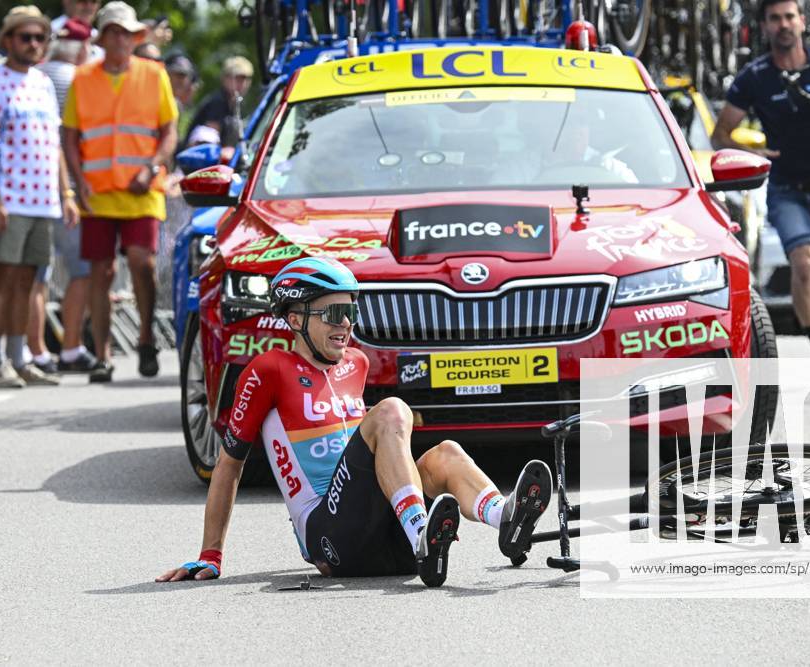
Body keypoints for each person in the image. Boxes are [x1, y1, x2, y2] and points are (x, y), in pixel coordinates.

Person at [156, 258, 553, 587]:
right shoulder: (268, 370)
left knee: (445, 454)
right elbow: (229, 465)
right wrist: (210, 555)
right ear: (295, 319)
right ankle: (421, 535)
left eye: (352, 313)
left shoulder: (356, 364)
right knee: (391, 410)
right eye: (335, 313)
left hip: (386, 542)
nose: (346, 324)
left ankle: (505, 517)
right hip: (331, 537)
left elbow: (370, 465)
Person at [712, 0, 810, 371]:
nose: (784, 24)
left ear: (802, 22)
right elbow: (720, 135)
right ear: (765, 26)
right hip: (786, 187)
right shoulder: (754, 77)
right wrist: (755, 154)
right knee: (802, 265)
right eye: (775, 18)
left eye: (790, 16)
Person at [62, 1, 178, 383]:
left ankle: (145, 337)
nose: (119, 39)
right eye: (113, 31)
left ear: (134, 38)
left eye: (126, 32)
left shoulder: (154, 74)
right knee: (101, 271)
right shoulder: (83, 77)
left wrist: (151, 167)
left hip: (142, 190)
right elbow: (70, 135)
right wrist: (78, 183)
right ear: (103, 37)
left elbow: (168, 132)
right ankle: (103, 354)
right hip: (97, 192)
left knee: (141, 263)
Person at [0, 6, 79, 390]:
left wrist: (66, 193)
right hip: (9, 196)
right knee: (1, 279)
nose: (34, 44)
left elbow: (54, 144)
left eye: (40, 37)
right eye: (25, 37)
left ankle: (20, 358)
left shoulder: (42, 82)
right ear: (8, 41)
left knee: (28, 281)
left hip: (43, 200)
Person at [30, 17, 96, 374]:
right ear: (82, 48)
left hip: (36, 189)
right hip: (68, 189)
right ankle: (70, 346)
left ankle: (35, 349)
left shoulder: (38, 74)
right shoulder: (78, 79)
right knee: (80, 271)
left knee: (35, 275)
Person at [183, 56, 252, 157]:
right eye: (236, 78)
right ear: (224, 78)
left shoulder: (237, 105)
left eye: (244, 79)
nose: (241, 83)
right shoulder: (217, 102)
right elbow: (208, 142)